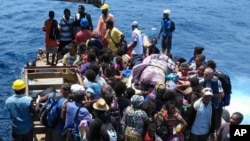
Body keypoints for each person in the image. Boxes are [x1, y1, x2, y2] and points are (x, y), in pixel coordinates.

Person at [201, 67, 224, 134]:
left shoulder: (217, 82)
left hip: (216, 105)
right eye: (204, 74)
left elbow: (222, 95)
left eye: (206, 75)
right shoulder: (205, 80)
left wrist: (210, 95)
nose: (204, 76)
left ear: (211, 75)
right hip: (208, 104)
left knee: (215, 121)